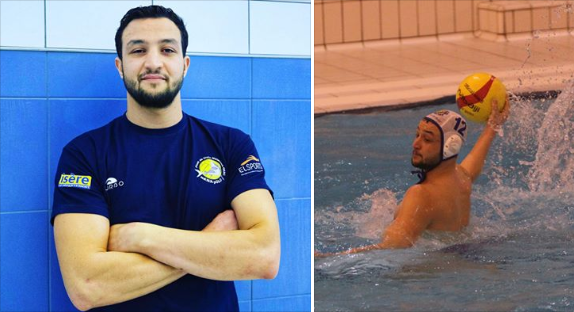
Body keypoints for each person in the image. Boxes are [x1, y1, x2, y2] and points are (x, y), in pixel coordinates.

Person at [51, 5, 280, 311]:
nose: (153, 62)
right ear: (120, 66)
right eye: (138, 50)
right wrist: (208, 242)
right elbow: (87, 286)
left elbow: (264, 257)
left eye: (167, 49)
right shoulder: (84, 155)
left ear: (184, 64)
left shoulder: (231, 145)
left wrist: (141, 236)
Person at [316, 99, 509, 257]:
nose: (415, 144)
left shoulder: (422, 195)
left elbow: (391, 248)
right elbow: (474, 162)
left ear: (450, 146)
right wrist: (492, 127)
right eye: (417, 135)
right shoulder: (461, 179)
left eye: (427, 139)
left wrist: (327, 258)